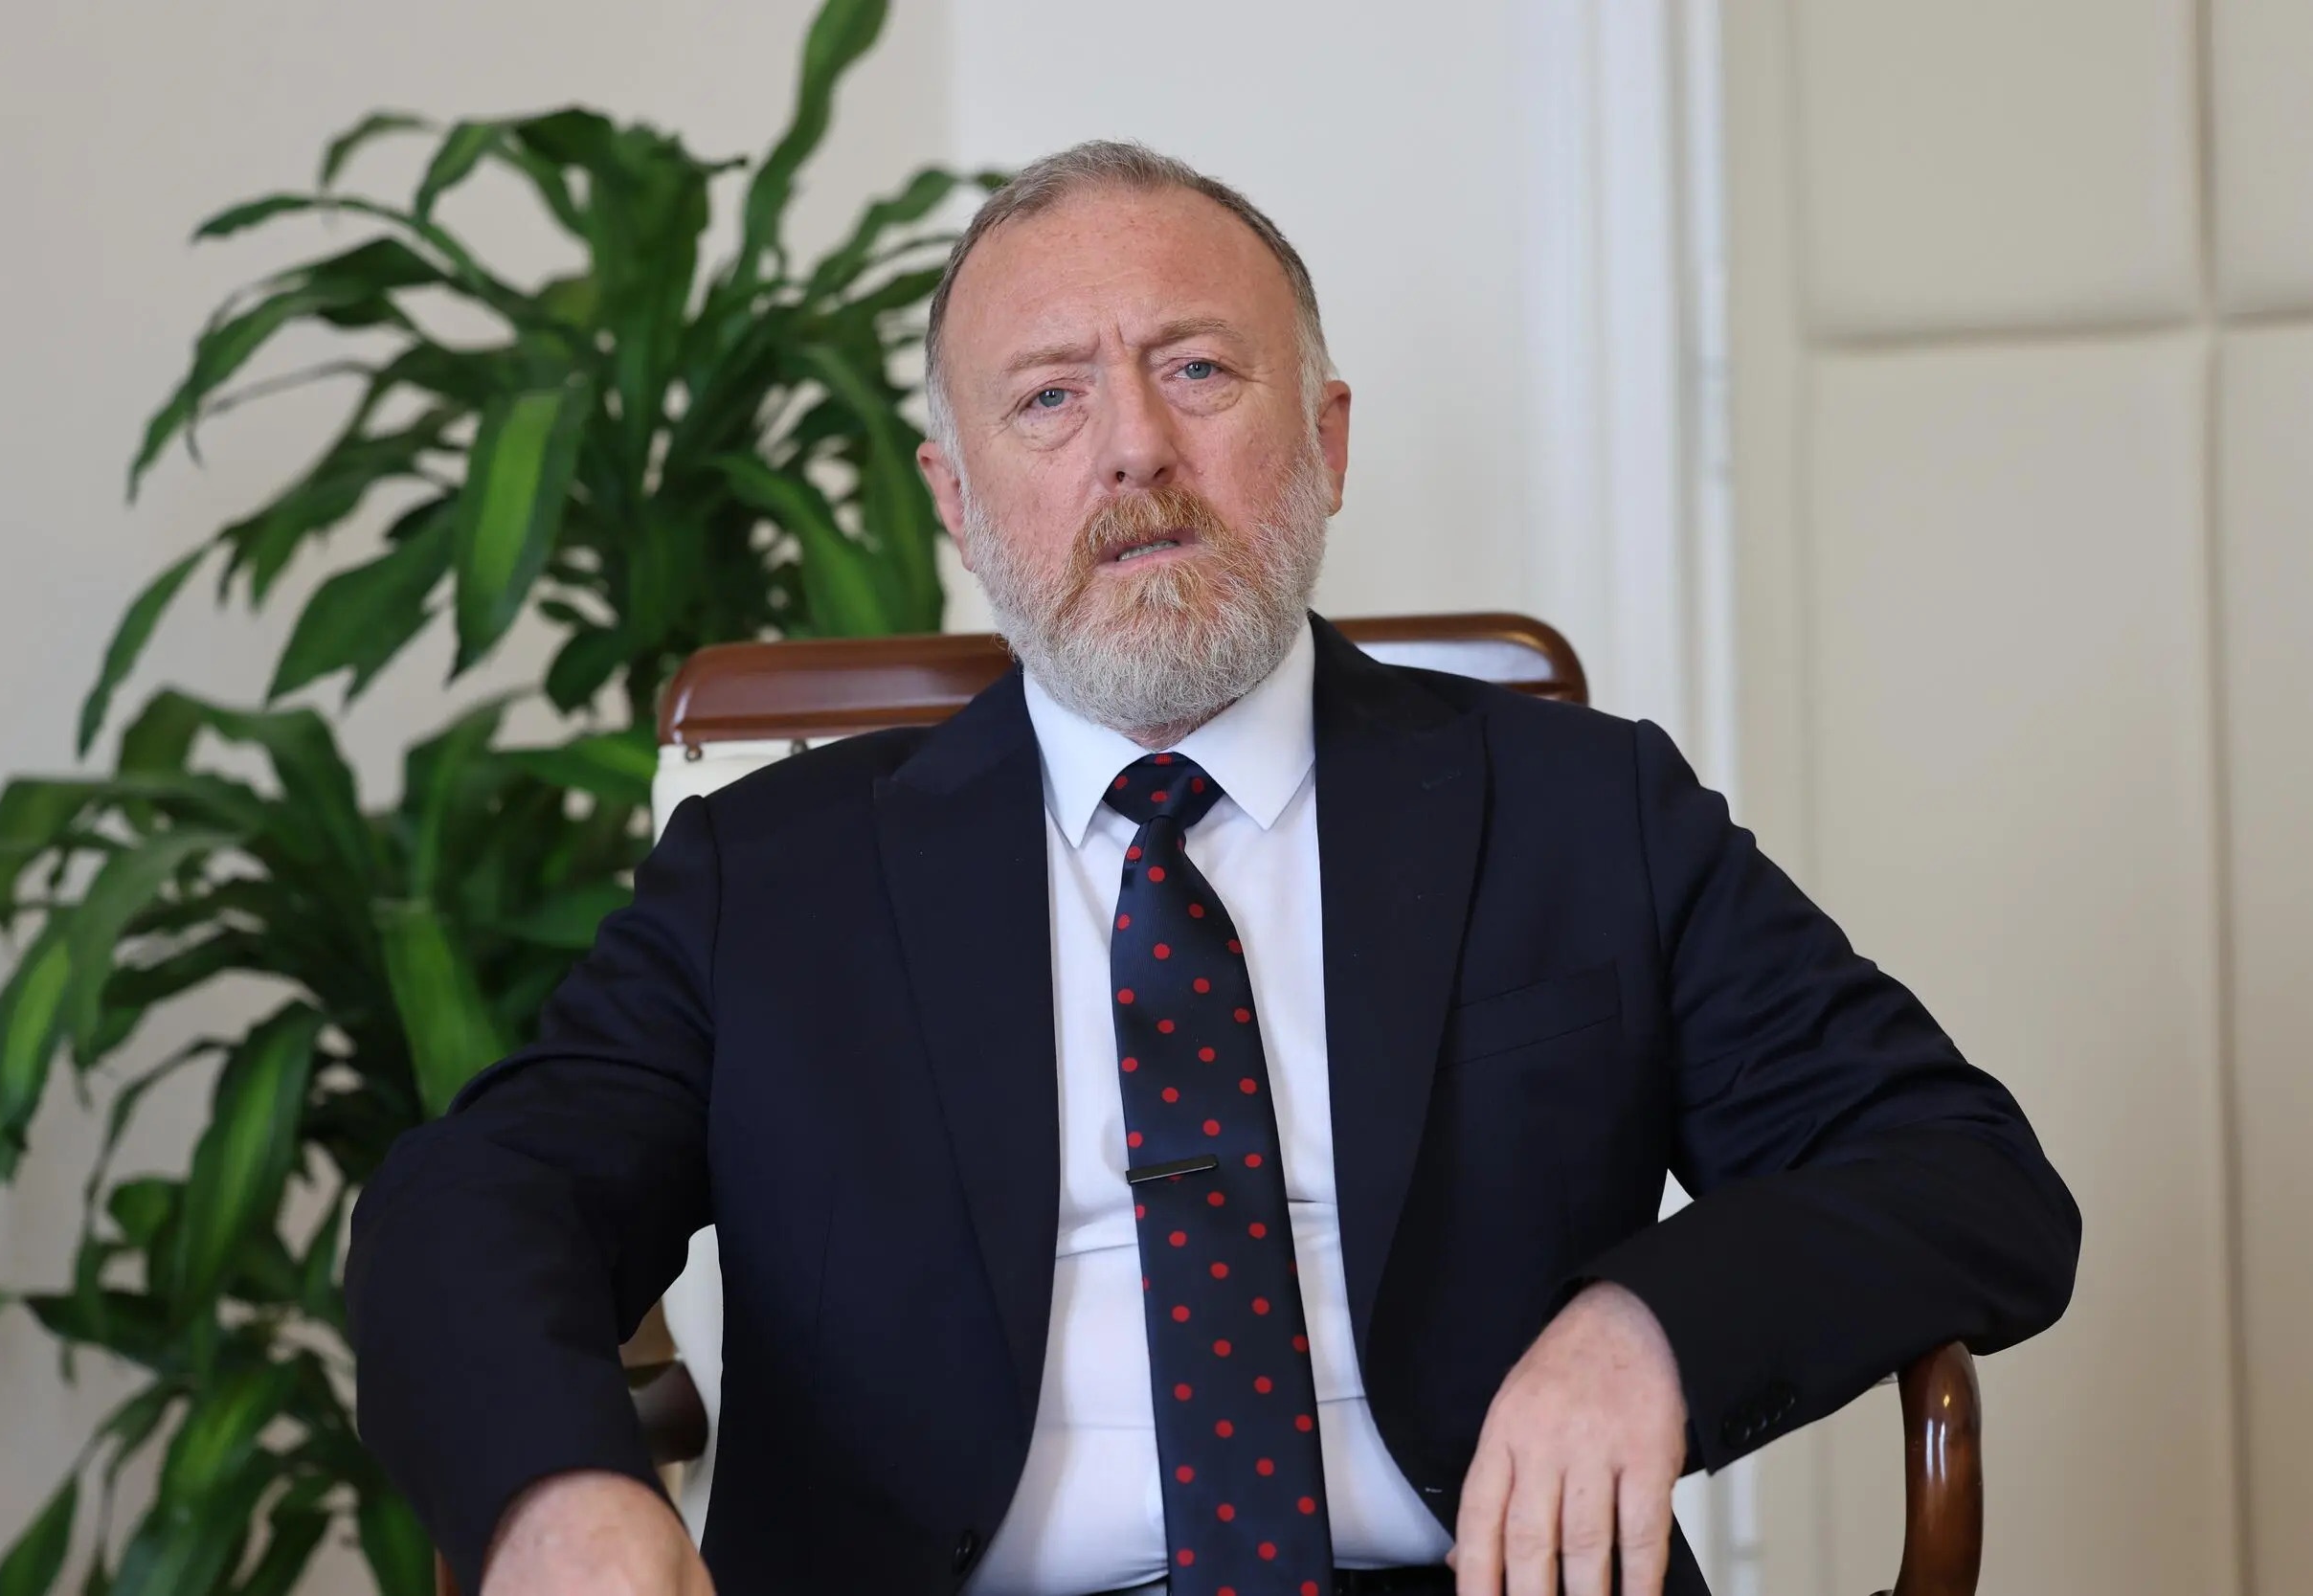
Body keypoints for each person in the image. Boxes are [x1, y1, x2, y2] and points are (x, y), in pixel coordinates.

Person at [347, 141, 2079, 1596]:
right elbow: (472, 1208)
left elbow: (1963, 1169)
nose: (1133, 450)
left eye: (1196, 370)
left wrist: (1652, 1328)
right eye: (1049, 397)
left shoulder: (1581, 809)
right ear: (958, 500)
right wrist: (559, 1498)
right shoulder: (771, 878)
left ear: (1327, 440)